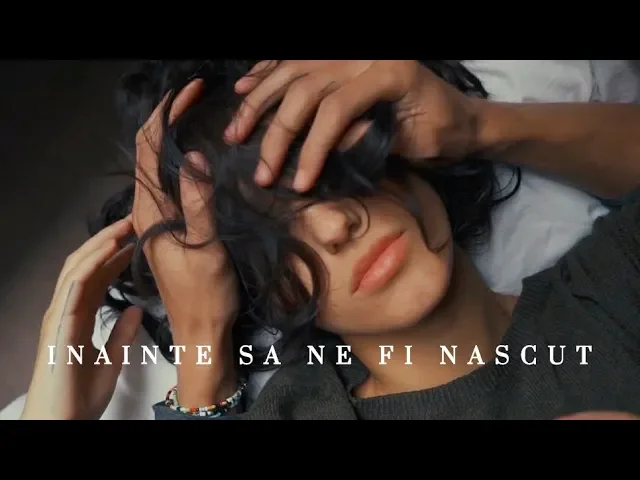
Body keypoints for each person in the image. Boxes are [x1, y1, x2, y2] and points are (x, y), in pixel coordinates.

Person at [20, 60, 640, 420]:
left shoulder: (610, 284)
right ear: (255, 290)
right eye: (272, 234)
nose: (336, 226)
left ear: (398, 152)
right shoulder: (304, 410)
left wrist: (475, 126)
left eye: (327, 173)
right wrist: (201, 341)